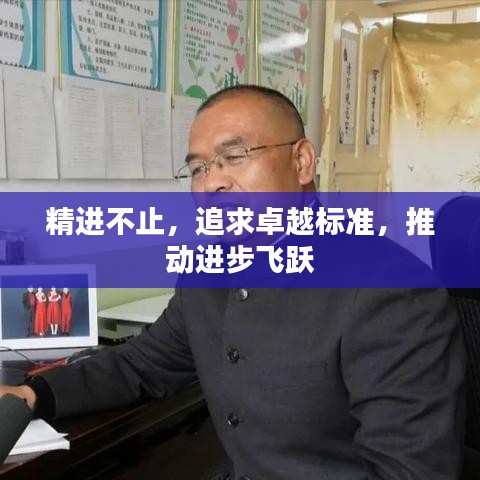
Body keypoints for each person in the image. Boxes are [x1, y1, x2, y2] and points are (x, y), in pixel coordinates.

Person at [0, 86, 465, 479]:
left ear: (302, 162)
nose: (211, 184)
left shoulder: (390, 287)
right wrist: (36, 394)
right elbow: (143, 363)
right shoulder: (207, 269)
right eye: (198, 168)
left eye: (234, 156)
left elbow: (409, 471)